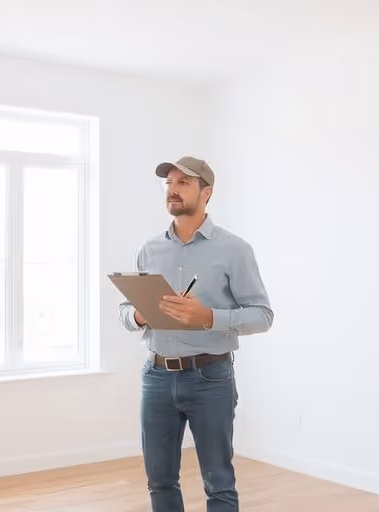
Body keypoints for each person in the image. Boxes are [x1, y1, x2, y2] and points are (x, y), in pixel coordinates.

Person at [119, 156, 274, 512]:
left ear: (207, 192)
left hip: (210, 378)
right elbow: (125, 313)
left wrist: (209, 317)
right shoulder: (149, 250)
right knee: (159, 482)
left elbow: (263, 316)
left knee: (219, 483)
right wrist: (139, 316)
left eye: (183, 183)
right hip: (156, 377)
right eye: (168, 183)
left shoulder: (235, 250)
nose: (172, 189)